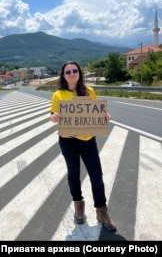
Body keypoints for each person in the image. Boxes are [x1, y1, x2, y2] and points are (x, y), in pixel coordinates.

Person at [49, 60, 116, 231]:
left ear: (79, 73)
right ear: (63, 75)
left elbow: (95, 113)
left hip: (88, 141)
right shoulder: (58, 94)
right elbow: (52, 114)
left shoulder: (89, 92)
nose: (71, 74)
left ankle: (102, 210)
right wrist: (54, 117)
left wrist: (104, 116)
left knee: (96, 176)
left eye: (74, 71)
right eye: (68, 72)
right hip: (68, 140)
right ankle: (79, 206)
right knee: (74, 175)